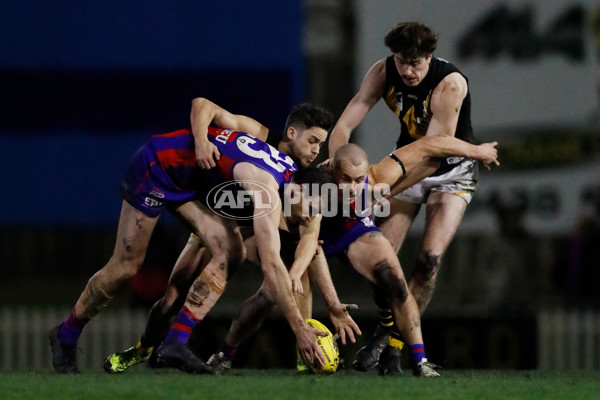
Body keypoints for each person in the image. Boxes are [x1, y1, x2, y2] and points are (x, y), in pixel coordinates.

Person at [49, 98, 338, 374]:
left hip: (194, 188)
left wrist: (330, 302)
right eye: (312, 208)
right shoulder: (267, 188)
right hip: (157, 167)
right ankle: (66, 334)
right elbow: (271, 265)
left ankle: (174, 343)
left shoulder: (291, 171)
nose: (311, 216)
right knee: (127, 266)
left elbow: (308, 236)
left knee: (229, 250)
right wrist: (299, 329)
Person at [207, 139, 498, 377]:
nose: (351, 186)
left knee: (394, 280)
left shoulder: (379, 176)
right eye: (345, 178)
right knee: (271, 293)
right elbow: (312, 244)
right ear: (332, 168)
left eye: (358, 180)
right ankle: (225, 354)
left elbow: (430, 144)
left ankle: (419, 360)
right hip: (311, 240)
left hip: (353, 232)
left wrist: (478, 151)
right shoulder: (315, 185)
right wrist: (313, 288)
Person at [328, 21, 488, 371]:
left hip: (449, 171)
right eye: (402, 61)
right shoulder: (383, 72)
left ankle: (392, 344)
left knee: (428, 261)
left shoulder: (450, 83)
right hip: (408, 161)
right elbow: (344, 123)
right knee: (380, 257)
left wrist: (377, 190)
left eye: (416, 62)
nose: (408, 70)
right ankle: (388, 326)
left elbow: (432, 152)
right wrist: (339, 166)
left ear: (430, 56)